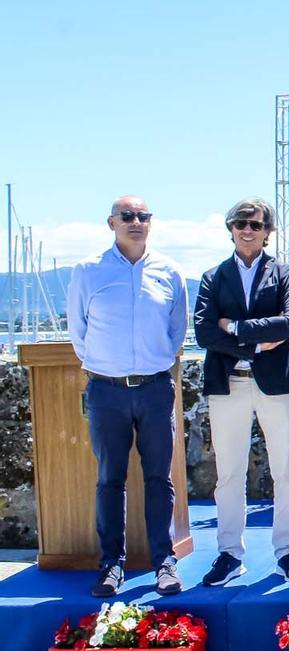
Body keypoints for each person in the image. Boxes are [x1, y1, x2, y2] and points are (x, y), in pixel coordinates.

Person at [67, 195, 188, 597]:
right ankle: (111, 565)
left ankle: (164, 562)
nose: (136, 222)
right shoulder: (88, 271)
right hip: (107, 390)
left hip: (154, 389)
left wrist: (152, 363)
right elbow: (79, 334)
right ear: (111, 222)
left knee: (159, 479)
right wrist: (110, 366)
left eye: (143, 216)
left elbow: (176, 332)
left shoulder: (169, 271)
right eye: (128, 216)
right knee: (109, 480)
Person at [194, 197, 289, 585]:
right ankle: (229, 553)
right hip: (228, 385)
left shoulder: (284, 274)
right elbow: (205, 331)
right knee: (228, 473)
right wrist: (257, 342)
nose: (247, 230)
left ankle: (287, 551)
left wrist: (238, 329)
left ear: (267, 233)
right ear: (230, 228)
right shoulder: (213, 276)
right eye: (241, 223)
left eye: (256, 225)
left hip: (275, 384)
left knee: (287, 471)